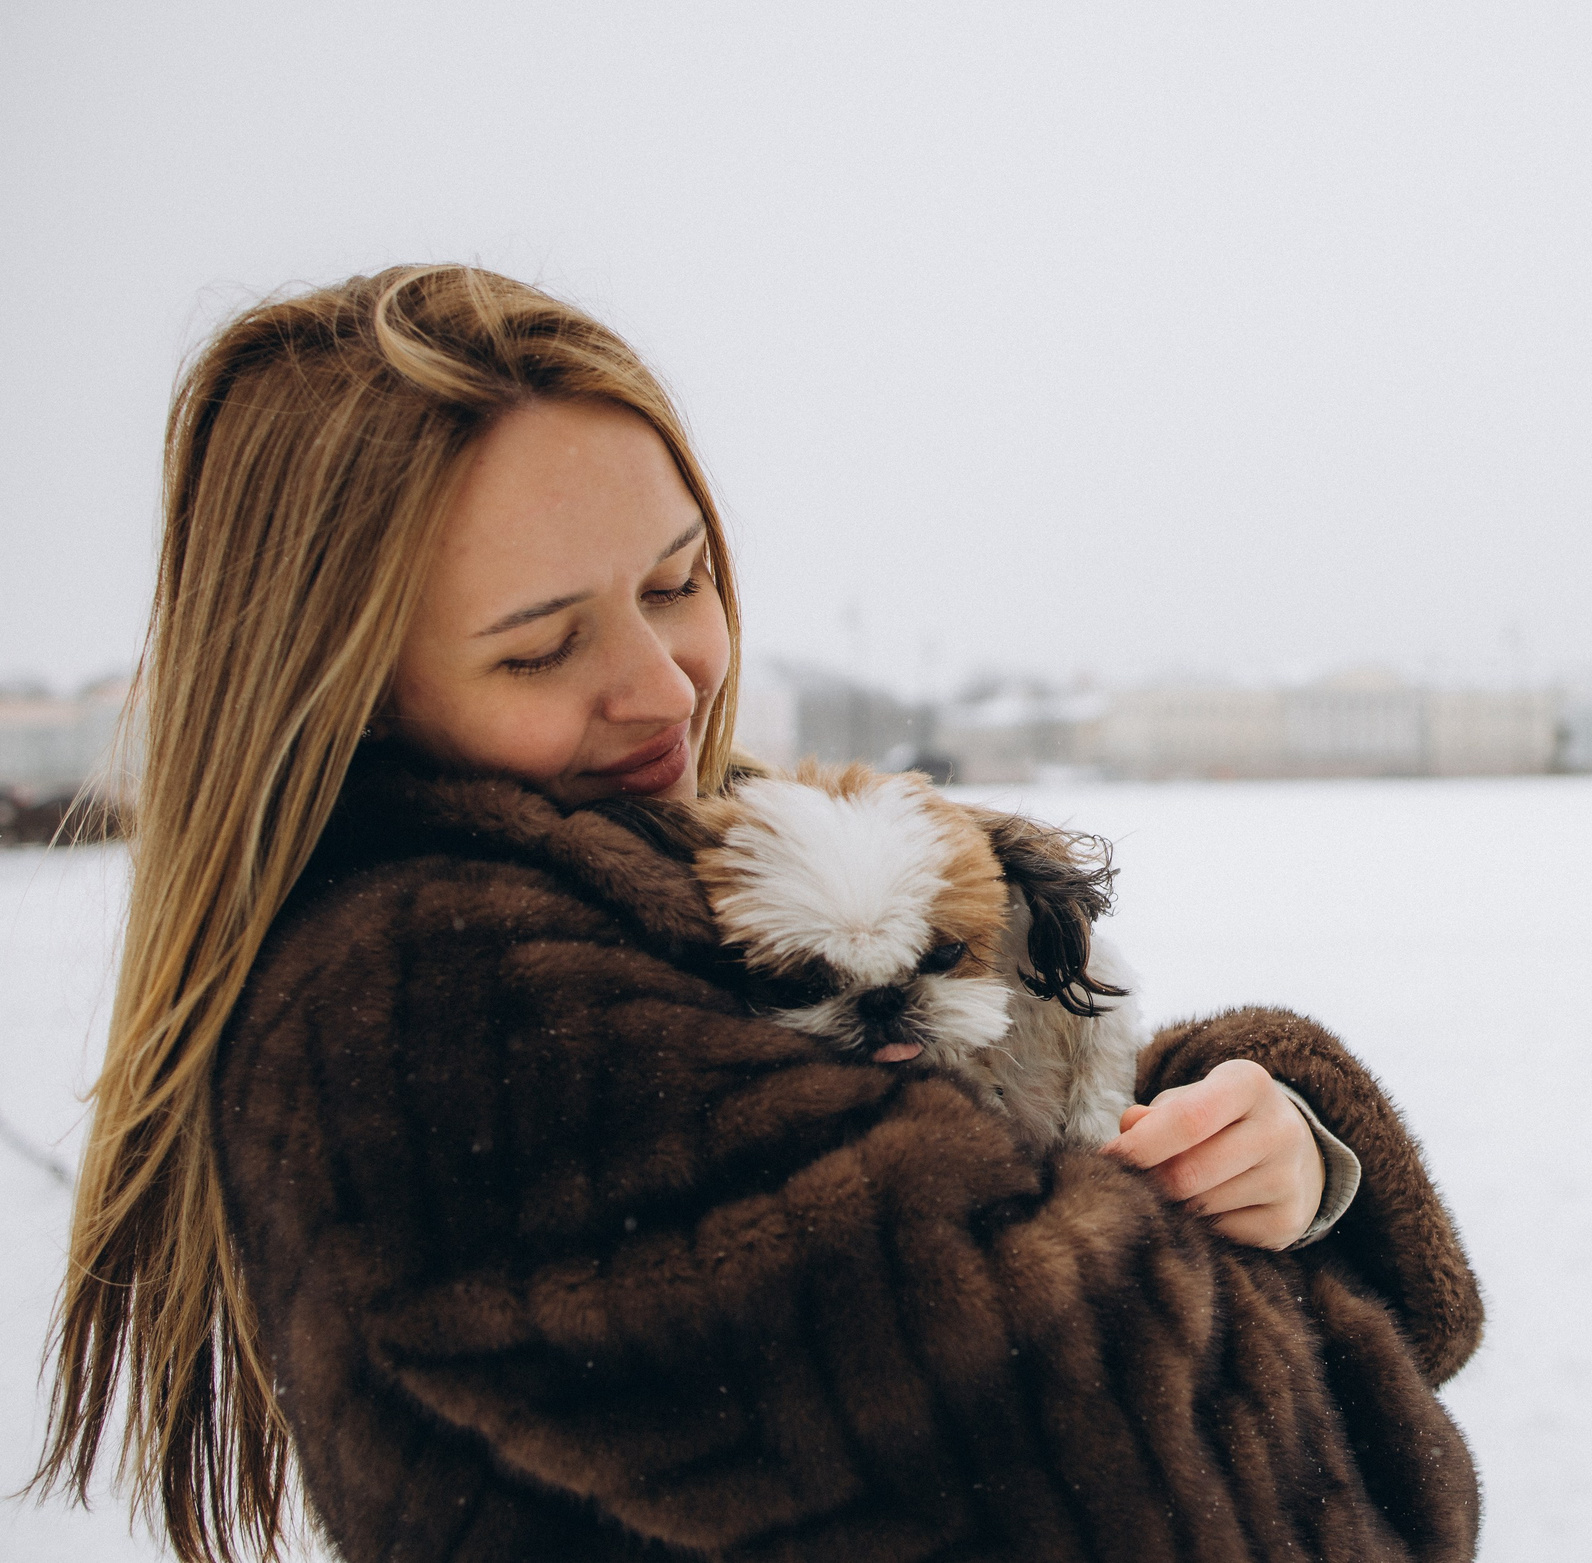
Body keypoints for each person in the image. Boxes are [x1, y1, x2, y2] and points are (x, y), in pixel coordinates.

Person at [39, 266, 1482, 1563]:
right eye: (541, 649)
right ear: (338, 689)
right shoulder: (444, 1012)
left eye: (680, 581)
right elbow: (1268, 1508)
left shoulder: (649, 879)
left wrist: (1275, 1149)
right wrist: (1319, 1319)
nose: (664, 685)